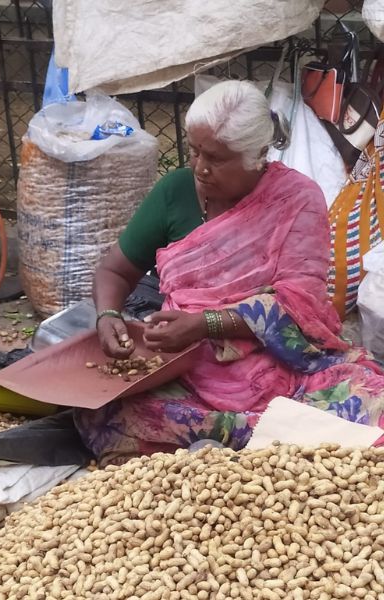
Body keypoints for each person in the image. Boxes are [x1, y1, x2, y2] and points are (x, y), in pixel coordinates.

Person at [77, 80, 384, 466]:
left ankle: (239, 445)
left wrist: (207, 323)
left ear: (257, 155)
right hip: (188, 365)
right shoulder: (175, 191)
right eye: (195, 151)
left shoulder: (297, 199)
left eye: (217, 158)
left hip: (285, 364)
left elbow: (299, 304)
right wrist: (107, 316)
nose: (201, 168)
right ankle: (275, 443)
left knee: (371, 399)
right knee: (104, 413)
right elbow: (115, 270)